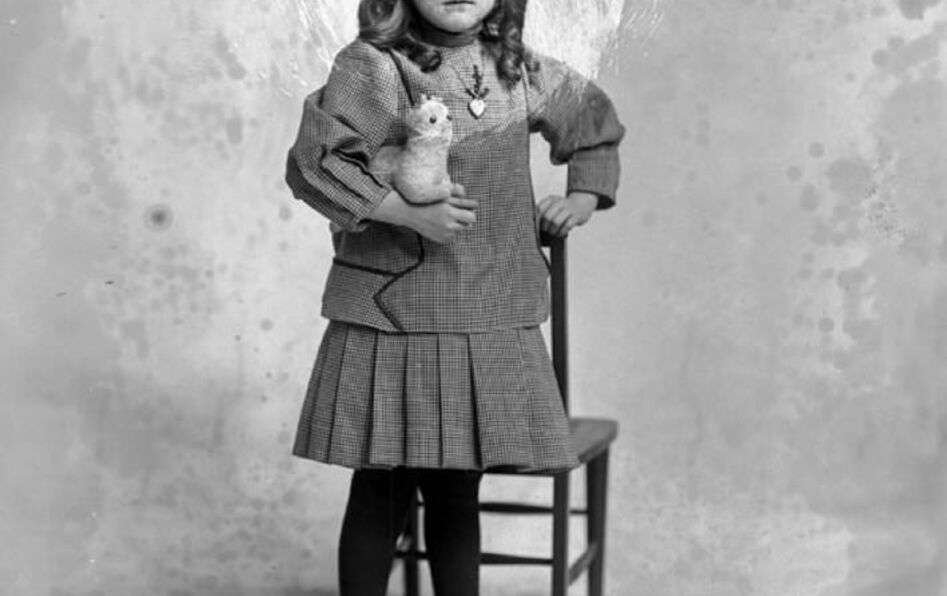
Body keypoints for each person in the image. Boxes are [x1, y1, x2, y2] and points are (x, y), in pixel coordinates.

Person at [284, 0, 624, 594]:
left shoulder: (516, 69)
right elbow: (316, 162)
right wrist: (406, 213)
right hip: (393, 315)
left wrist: (581, 200)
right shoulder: (375, 66)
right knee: (381, 486)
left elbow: (592, 121)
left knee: (457, 489)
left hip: (489, 312)